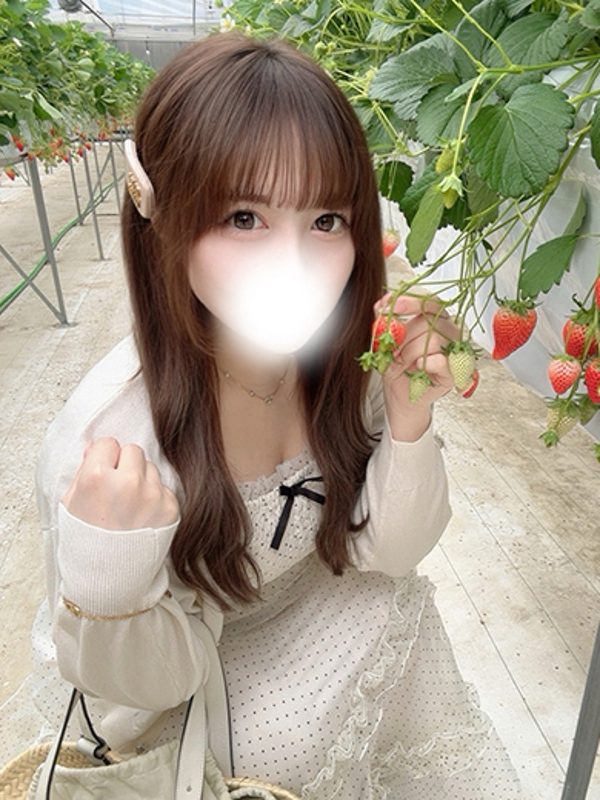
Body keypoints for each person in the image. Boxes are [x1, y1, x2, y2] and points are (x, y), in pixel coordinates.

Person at [29, 32, 523, 799]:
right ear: (159, 213)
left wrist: (409, 418)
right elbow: (140, 698)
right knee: (281, 749)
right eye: (243, 217)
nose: (292, 266)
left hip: (324, 608)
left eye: (326, 221)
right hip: (189, 684)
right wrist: (109, 580)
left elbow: (391, 554)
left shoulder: (347, 359)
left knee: (402, 621)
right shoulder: (111, 445)